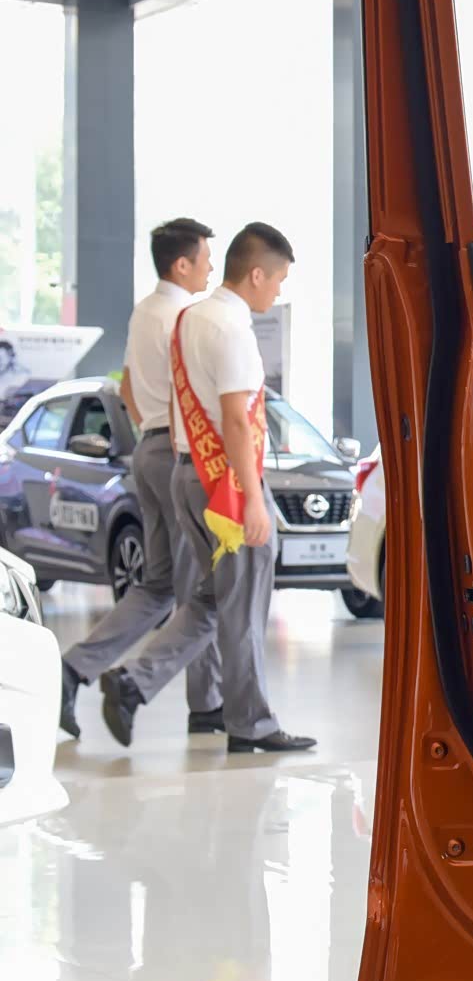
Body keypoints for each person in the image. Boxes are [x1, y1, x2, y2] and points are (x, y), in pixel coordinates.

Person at [99, 222, 316, 754]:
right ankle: (251, 724)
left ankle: (134, 681)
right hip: (226, 484)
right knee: (244, 606)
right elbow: (237, 419)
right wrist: (251, 498)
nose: (278, 292)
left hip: (187, 472)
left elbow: (173, 399)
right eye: (278, 280)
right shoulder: (232, 329)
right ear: (257, 274)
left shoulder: (190, 318)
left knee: (210, 600)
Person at [59, 219, 223, 739]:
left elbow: (127, 386)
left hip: (147, 450)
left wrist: (151, 434)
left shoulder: (145, 311)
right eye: (205, 259)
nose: (211, 268)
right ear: (182, 264)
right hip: (178, 454)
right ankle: (200, 702)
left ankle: (71, 670)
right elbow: (193, 395)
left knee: (157, 585)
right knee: (203, 588)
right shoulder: (187, 318)